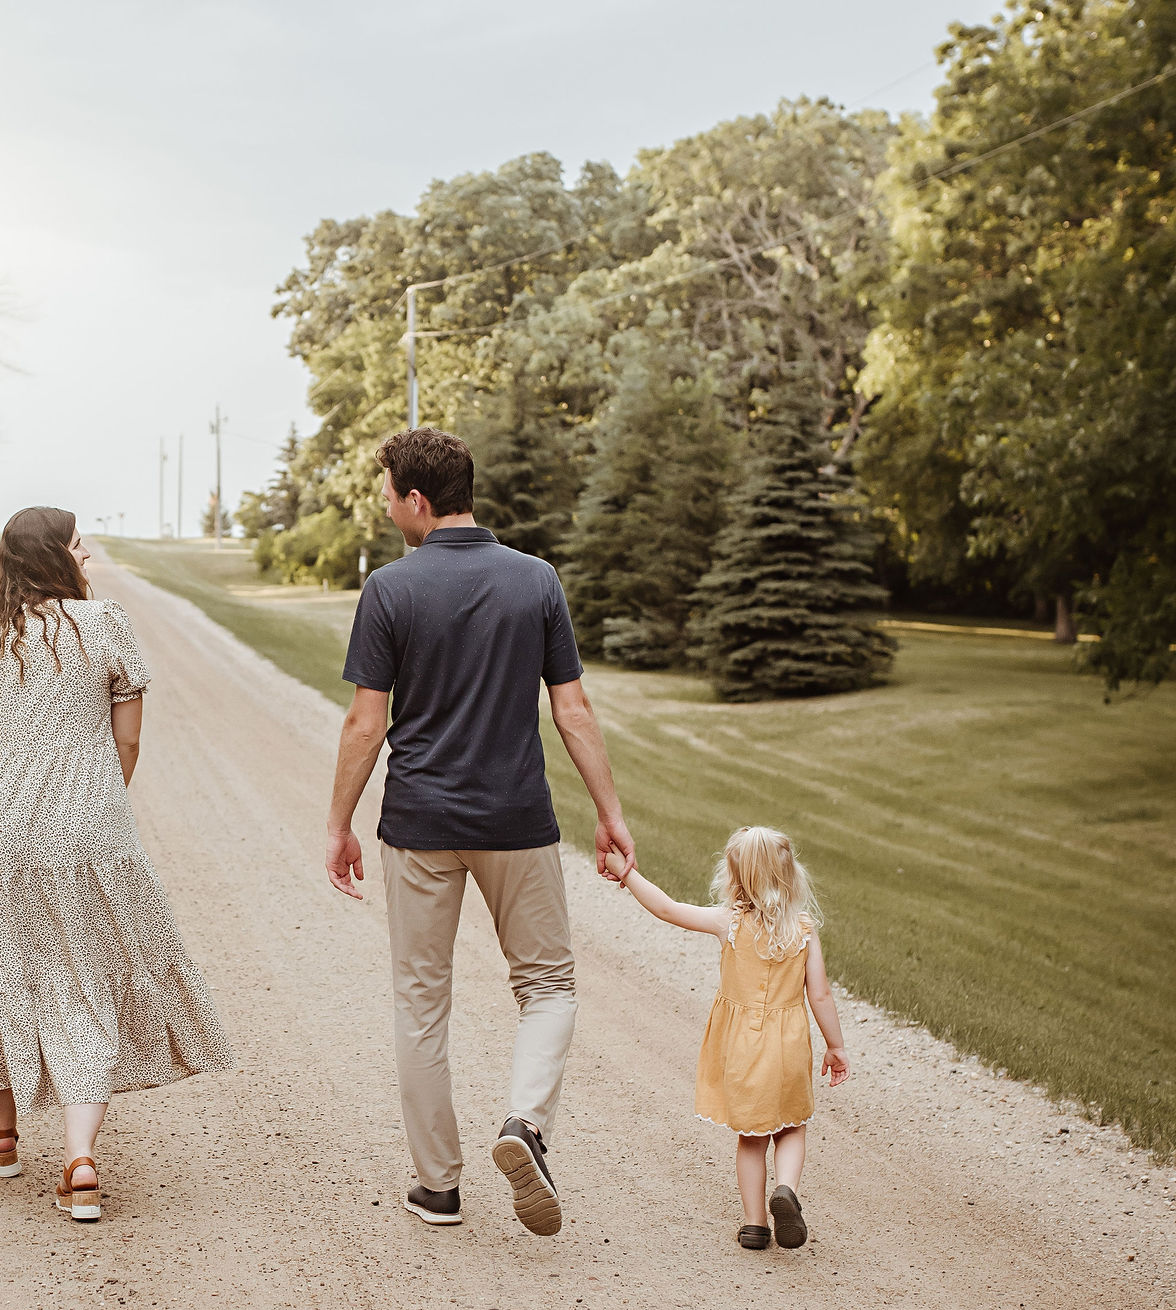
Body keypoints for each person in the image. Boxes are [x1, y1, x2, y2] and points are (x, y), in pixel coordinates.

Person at [325, 427, 634, 1233]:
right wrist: (610, 814)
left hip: (420, 822)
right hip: (516, 823)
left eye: (389, 491)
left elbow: (366, 724)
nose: (387, 504)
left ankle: (437, 1185)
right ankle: (524, 1124)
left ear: (417, 500)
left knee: (420, 1002)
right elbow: (573, 709)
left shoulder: (390, 589)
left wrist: (339, 823)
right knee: (548, 987)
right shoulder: (536, 580)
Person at [0, 507, 231, 1223]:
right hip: (90, 827)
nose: (88, 553)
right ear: (56, 555)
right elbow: (130, 741)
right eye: (79, 543)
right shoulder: (105, 624)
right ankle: (80, 1159)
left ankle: (3, 1132)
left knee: (4, 967)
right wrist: (95, 807)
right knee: (83, 978)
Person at [603, 828, 849, 1249]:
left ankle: (755, 1225)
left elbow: (666, 908)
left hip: (742, 1046)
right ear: (790, 875)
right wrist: (836, 1045)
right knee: (791, 1127)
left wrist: (623, 872)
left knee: (751, 1137)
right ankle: (786, 1189)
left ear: (736, 877)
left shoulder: (729, 922)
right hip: (788, 1045)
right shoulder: (804, 930)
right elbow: (820, 993)